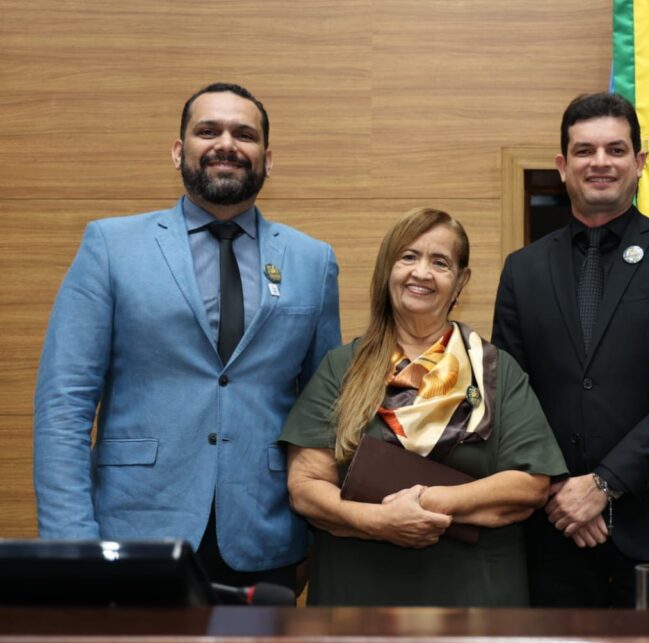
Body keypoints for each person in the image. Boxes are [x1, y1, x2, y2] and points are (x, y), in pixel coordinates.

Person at [33, 83, 340, 592]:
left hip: (268, 539)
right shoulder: (111, 246)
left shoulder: (313, 261)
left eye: (244, 134)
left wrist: (315, 536)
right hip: (133, 533)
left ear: (267, 159)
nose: (226, 144)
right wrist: (71, 546)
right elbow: (64, 406)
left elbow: (324, 413)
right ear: (179, 151)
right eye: (208, 131)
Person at [491, 93, 649, 607]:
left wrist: (604, 484)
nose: (600, 162)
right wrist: (560, 489)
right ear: (562, 166)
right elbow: (509, 395)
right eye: (585, 150)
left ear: (639, 163)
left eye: (616, 150)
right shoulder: (523, 269)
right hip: (553, 528)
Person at [282, 208, 566, 607]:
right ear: (388, 269)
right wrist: (381, 522)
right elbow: (306, 488)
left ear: (461, 281)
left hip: (475, 597)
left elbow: (530, 484)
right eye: (408, 257)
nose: (422, 272)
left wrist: (426, 504)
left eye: (440, 262)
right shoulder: (341, 367)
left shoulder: (495, 371)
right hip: (356, 597)